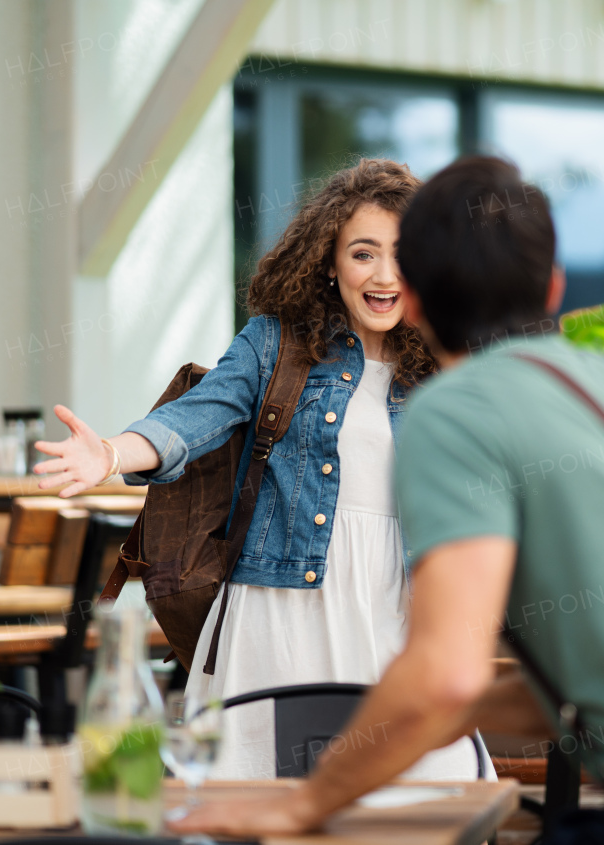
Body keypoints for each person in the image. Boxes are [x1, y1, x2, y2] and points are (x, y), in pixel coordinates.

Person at [172, 157, 604, 844]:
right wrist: (437, 718)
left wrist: (305, 805)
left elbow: (445, 674)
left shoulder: (454, 413)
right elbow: (595, 668)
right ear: (554, 288)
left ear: (410, 294)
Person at [33, 158, 487, 781]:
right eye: (363, 254)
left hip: (398, 605)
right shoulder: (275, 344)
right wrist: (110, 453)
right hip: (281, 610)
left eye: (403, 256)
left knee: (425, 787)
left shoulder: (445, 362)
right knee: (267, 793)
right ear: (329, 261)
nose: (384, 276)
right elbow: (195, 419)